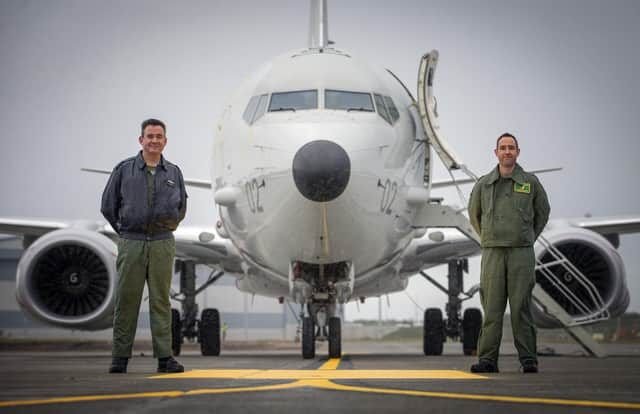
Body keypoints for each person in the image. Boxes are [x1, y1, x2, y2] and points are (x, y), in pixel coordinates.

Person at [101, 118, 187, 374]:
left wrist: (166, 227)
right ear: (141, 140)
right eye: (149, 136)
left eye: (159, 136)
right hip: (132, 242)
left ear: (165, 141)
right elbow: (108, 206)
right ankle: (120, 357)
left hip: (162, 243)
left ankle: (164, 358)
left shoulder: (173, 172)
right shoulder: (124, 170)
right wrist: (126, 232)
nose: (154, 141)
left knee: (161, 301)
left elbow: (181, 207)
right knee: (126, 300)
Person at [467, 133, 550, 374]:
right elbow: (475, 214)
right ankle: (487, 360)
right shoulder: (484, 184)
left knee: (521, 308)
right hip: (493, 252)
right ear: (496, 153)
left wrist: (527, 237)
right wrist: (488, 237)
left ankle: (528, 360)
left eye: (511, 148)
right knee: (492, 308)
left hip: (521, 253)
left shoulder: (530, 183)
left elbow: (542, 212)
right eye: (503, 148)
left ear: (517, 152)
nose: (507, 152)